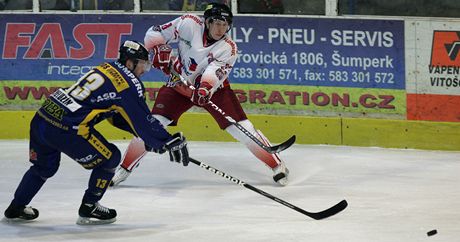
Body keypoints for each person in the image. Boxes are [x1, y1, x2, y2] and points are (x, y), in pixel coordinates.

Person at [3, 40, 189, 225]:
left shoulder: (107, 67)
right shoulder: (129, 84)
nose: (143, 70)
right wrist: (165, 140)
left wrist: (147, 137)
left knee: (43, 168)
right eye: (142, 64)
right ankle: (90, 205)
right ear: (130, 62)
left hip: (43, 117)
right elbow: (141, 119)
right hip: (66, 129)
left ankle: (16, 207)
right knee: (110, 158)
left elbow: (115, 116)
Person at [111, 3, 289, 187]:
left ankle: (277, 165)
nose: (221, 29)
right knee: (153, 124)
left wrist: (205, 89)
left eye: (225, 24)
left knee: (241, 128)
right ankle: (124, 168)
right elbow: (155, 34)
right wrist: (156, 49)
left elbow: (213, 72)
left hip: (215, 90)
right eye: (217, 23)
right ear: (207, 21)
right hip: (178, 84)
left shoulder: (228, 47)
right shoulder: (188, 23)